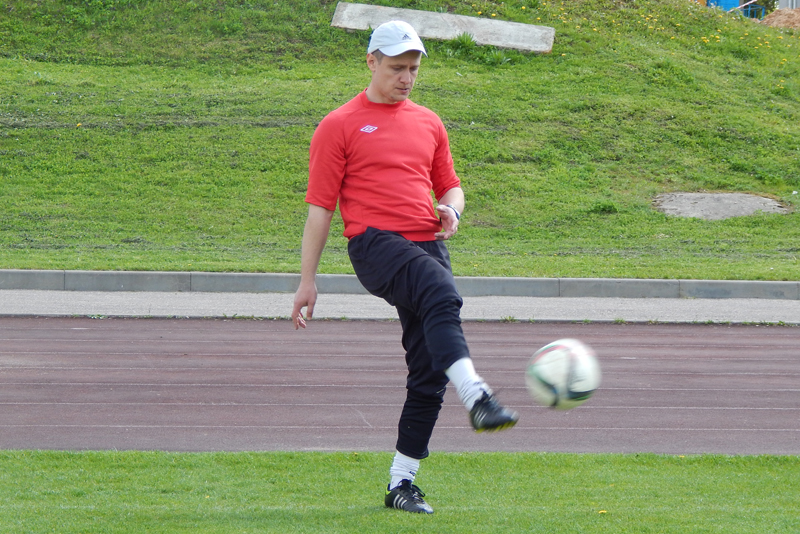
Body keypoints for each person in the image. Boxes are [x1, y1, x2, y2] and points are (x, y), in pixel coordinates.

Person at [291, 20, 518, 515]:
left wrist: (451, 209)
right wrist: (308, 280)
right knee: (442, 292)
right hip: (375, 244)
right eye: (397, 68)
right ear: (371, 62)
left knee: (430, 368)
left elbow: (451, 185)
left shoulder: (429, 122)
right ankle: (478, 395)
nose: (407, 78)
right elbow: (320, 209)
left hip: (427, 244)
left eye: (413, 68)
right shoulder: (339, 124)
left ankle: (401, 483)